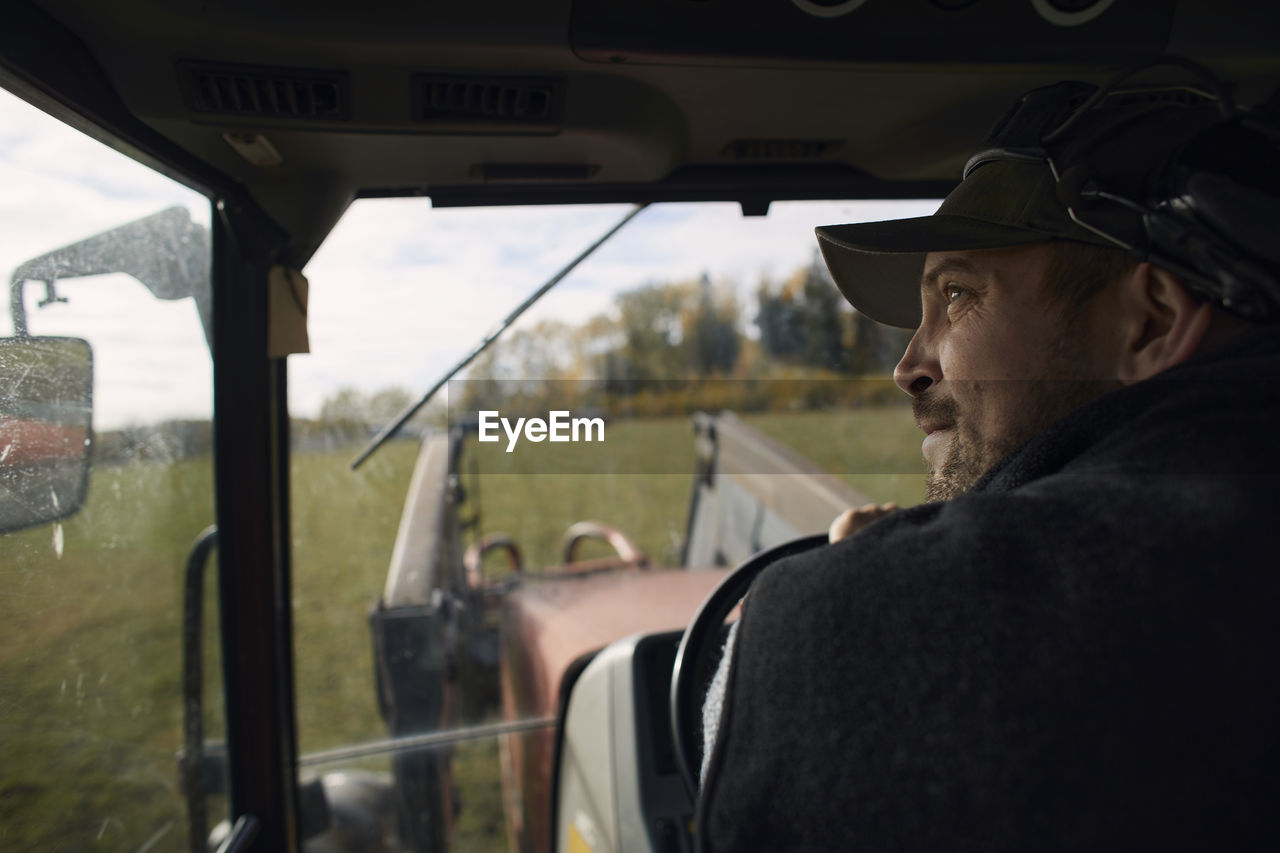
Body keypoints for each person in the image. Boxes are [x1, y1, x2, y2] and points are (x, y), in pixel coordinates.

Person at [697, 73, 1280, 851]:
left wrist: (876, 585)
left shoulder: (867, 624)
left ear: (1151, 321)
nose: (908, 364)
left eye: (959, 296)